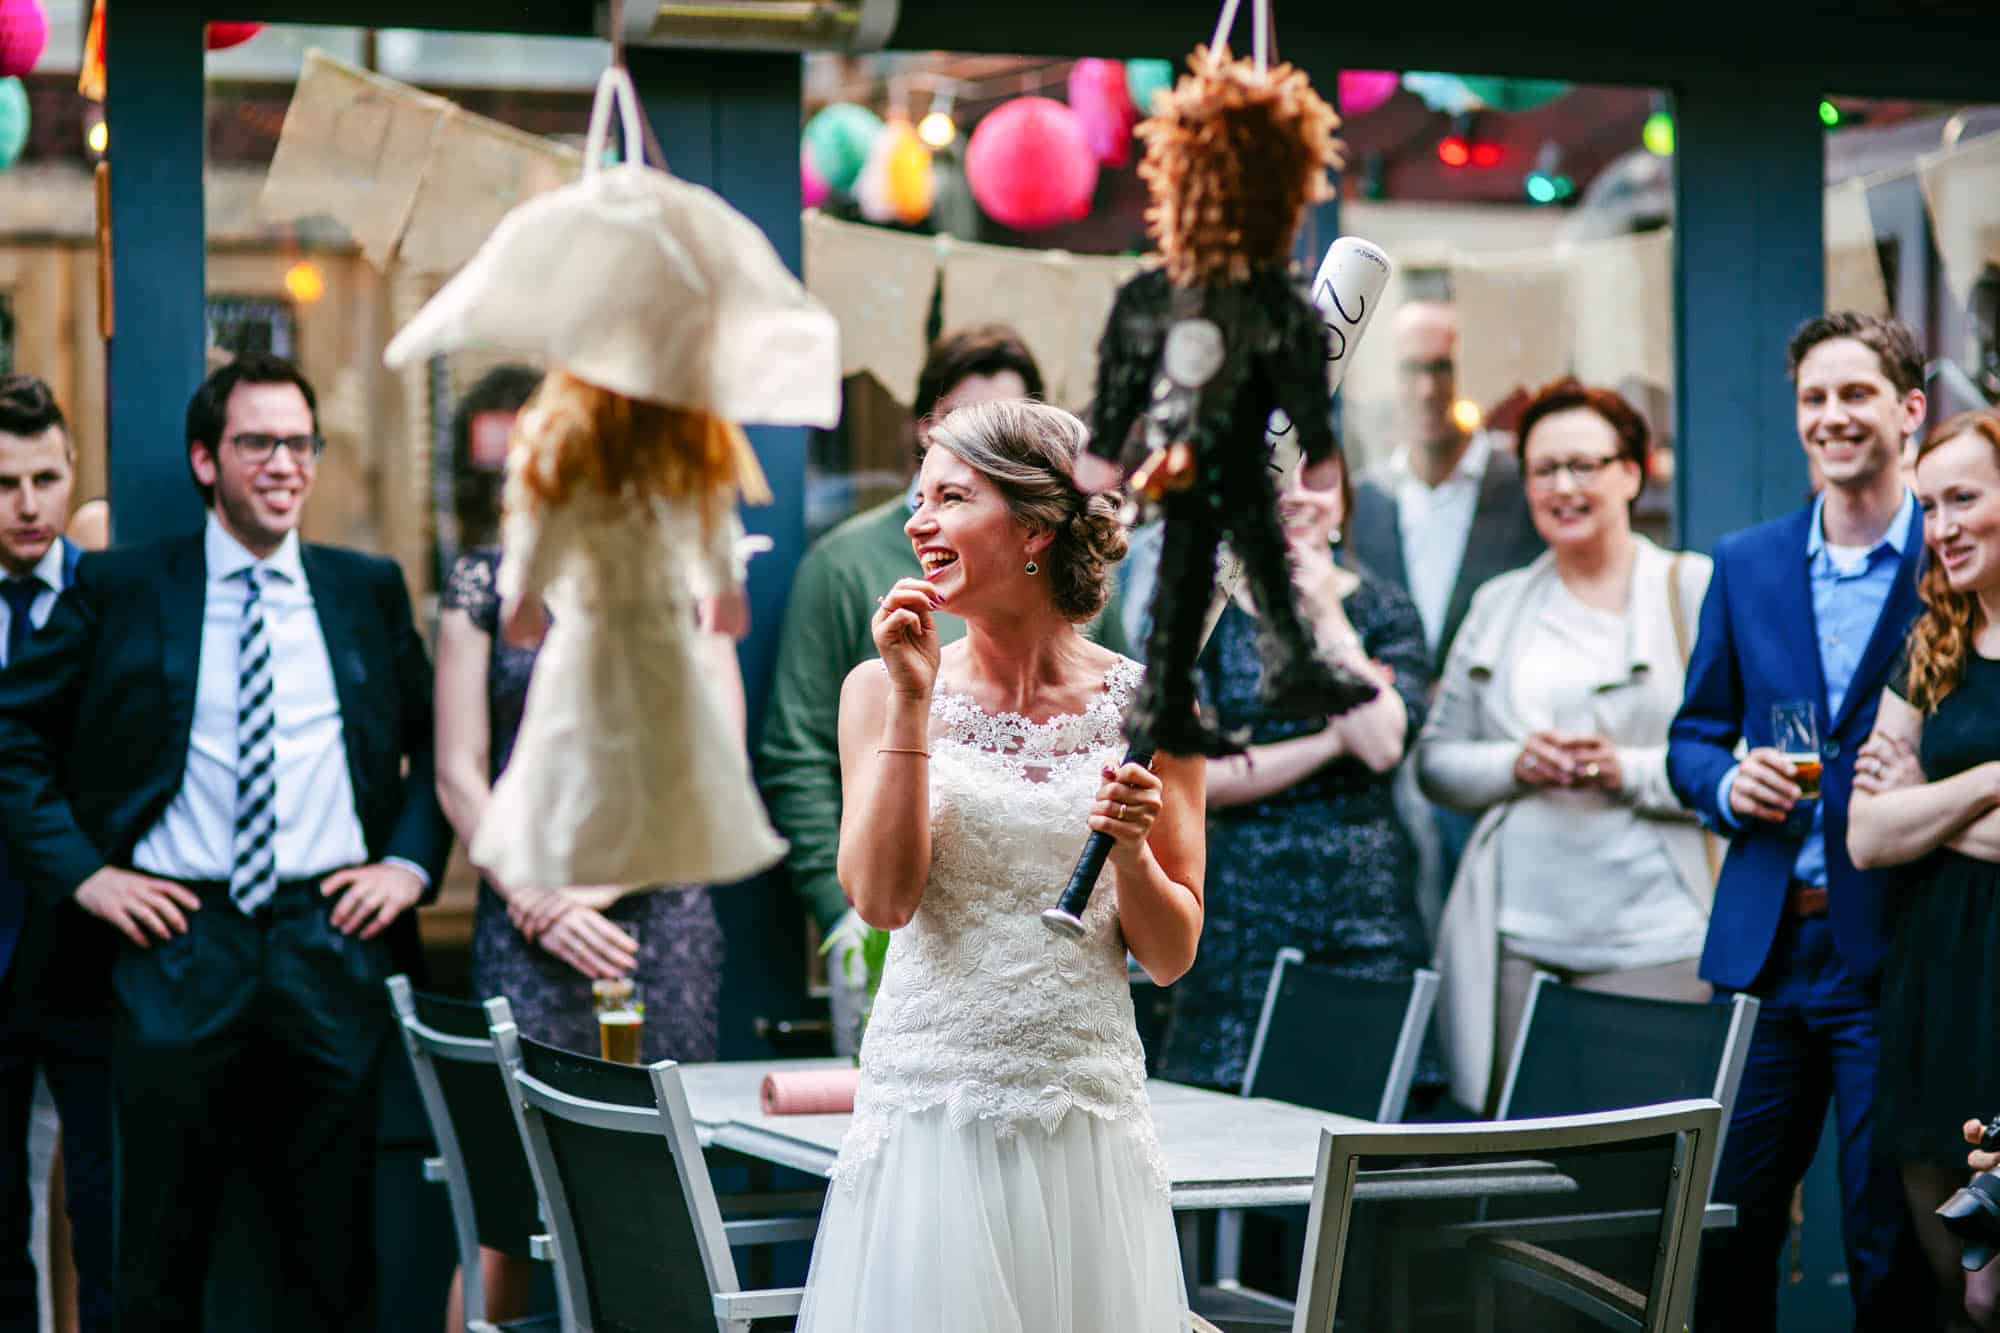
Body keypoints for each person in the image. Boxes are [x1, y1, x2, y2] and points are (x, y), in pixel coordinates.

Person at [0, 353, 452, 1333]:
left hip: (326, 938)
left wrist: (408, 866)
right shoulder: (125, 590)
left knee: (330, 1254)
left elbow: (441, 747)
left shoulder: (364, 591)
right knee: (156, 1251)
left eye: (300, 443)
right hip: (173, 941)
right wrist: (85, 875)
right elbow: (13, 733)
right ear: (207, 460)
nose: (284, 464)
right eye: (258, 443)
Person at [794, 399, 1203, 1332]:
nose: (916, 521)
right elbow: (883, 899)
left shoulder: (1153, 710)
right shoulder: (881, 686)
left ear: (1034, 528)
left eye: (950, 497)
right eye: (916, 497)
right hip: (930, 1114)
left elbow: (1172, 951)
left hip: (1083, 1120)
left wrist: (1132, 850)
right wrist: (911, 705)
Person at [428, 368, 728, 1328]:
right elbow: (456, 770)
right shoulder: (483, 577)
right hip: (525, 924)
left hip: (658, 923)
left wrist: (589, 888)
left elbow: (711, 758)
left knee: (660, 1204)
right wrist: (538, 899)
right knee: (504, 1221)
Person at [1669, 313, 1934, 1333]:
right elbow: (1689, 736)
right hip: (1766, 947)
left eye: (1854, 394)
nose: (1831, 417)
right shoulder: (1745, 563)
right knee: (1724, 1226)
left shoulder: (1947, 556)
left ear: (1908, 410)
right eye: (1812, 399)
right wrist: (1728, 787)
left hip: (1896, 948)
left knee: (1886, 1239)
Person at [1418, 377, 1715, 1115]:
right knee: (1527, 1165)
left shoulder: (1694, 590)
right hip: (1519, 942)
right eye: (1545, 469)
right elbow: (1436, 759)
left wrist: (1629, 769)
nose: (1564, 486)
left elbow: (1743, 761)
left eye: (1585, 464)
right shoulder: (1501, 604)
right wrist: (1515, 763)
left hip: (1658, 937)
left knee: (1648, 1172)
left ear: (1631, 472)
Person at [759, 325, 1044, 1053]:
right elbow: (797, 755)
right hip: (891, 922)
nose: (988, 450)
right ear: (928, 436)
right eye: (966, 428)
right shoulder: (847, 563)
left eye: (1009, 432)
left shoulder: (1063, 590)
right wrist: (847, 918)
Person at [1158, 447, 1441, 1099]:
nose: (1296, 494)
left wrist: (1325, 616)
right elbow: (1199, 773)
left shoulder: (1385, 612)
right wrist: (1328, 736)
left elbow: (1381, 745)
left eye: (1316, 477)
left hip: (1364, 924)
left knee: (1363, 1136)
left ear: (1343, 497)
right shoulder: (1200, 615)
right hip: (1239, 927)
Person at [1847, 408, 2000, 1331]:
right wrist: (1987, 779)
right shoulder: (1932, 648)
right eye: (1928, 504)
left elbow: (1898, 820)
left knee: (1996, 1294)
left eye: (1965, 498)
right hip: (1935, 992)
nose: (1941, 525)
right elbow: (1866, 836)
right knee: (1953, 1295)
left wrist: (1926, 805)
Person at [1346, 303, 1545, 934]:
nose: (1428, 389)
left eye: (1442, 368)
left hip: (1491, 751)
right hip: (1388, 761)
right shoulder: (1366, 498)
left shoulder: (1521, 488)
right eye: (1411, 370)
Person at [0, 376, 109, 1333]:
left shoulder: (110, 590)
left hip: (97, 948)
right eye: (4, 482)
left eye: (45, 476)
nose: (28, 504)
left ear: (73, 473)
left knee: (108, 1216)